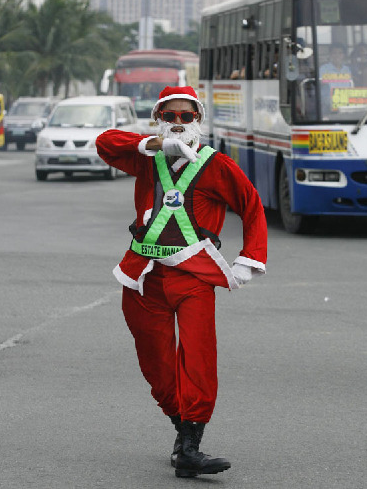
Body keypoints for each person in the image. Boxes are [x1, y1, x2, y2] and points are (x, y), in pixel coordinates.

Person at [95, 86, 267, 478]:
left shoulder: (217, 164)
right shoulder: (147, 158)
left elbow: (252, 205)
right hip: (142, 276)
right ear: (158, 119)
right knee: (155, 363)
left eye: (185, 117)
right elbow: (105, 143)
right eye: (169, 116)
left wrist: (249, 259)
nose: (177, 123)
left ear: (198, 121)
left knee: (198, 358)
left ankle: (191, 445)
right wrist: (153, 144)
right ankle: (180, 428)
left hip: (193, 275)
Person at [319, 43, 353, 115]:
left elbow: (350, 86)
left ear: (344, 55)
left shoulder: (347, 69)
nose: (337, 55)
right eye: (334, 53)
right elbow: (321, 84)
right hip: (328, 102)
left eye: (340, 53)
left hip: (345, 100)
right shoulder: (324, 68)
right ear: (330, 55)